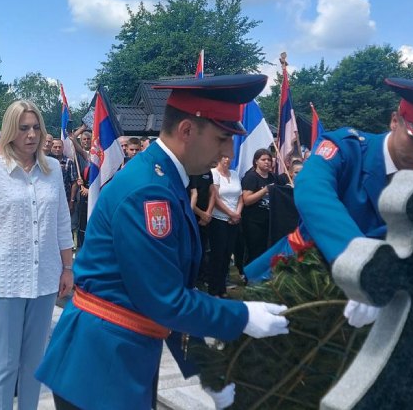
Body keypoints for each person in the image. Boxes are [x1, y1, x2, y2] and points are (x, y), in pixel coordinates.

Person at [36, 75, 289, 410]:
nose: (229, 150)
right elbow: (165, 299)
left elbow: (171, 286)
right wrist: (241, 316)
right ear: (186, 130)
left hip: (120, 356)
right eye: (223, 137)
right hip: (99, 366)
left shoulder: (163, 179)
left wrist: (205, 369)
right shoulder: (149, 191)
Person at [247, 78, 413, 327]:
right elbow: (311, 192)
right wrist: (360, 264)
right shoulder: (346, 148)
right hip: (305, 282)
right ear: (395, 121)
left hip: (376, 303)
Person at [0, 100, 74, 410]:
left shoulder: (52, 168)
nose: (31, 134)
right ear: (10, 132)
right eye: (24, 128)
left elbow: (61, 222)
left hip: (45, 278)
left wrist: (68, 267)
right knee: (5, 361)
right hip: (5, 281)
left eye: (36, 127)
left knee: (34, 362)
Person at [208, 155, 243, 298]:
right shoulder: (214, 173)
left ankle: (222, 288)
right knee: (218, 255)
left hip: (234, 219)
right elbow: (215, 197)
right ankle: (213, 289)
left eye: (229, 157)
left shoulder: (234, 174)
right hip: (219, 218)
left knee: (227, 254)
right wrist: (230, 213)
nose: (227, 160)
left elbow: (240, 197)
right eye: (224, 157)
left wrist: (237, 214)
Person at [241, 148, 277, 266]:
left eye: (269, 160)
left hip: (269, 221)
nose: (267, 162)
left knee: (266, 250)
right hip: (253, 221)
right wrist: (265, 190)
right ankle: (249, 277)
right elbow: (246, 200)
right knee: (254, 250)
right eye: (263, 159)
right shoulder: (251, 177)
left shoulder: (272, 177)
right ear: (256, 161)